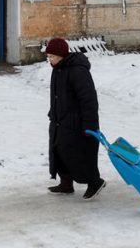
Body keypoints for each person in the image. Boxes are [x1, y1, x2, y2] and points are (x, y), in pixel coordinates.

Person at [45, 37, 106, 200]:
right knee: (59, 151)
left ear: (61, 55)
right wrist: (54, 113)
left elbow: (89, 99)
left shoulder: (78, 71)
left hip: (77, 122)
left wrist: (90, 125)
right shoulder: (58, 68)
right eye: (48, 56)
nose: (49, 59)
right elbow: (58, 96)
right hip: (60, 120)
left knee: (79, 154)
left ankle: (95, 182)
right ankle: (66, 183)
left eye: (51, 56)